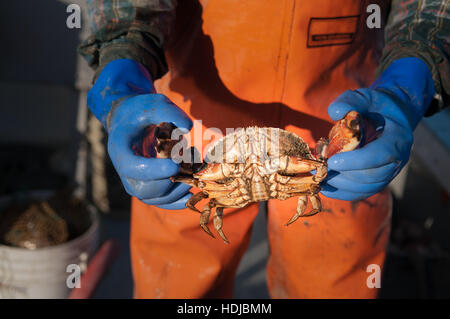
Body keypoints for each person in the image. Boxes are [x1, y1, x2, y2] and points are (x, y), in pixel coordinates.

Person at [80, 0, 449, 298]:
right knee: (176, 280)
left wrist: (406, 85)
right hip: (190, 130)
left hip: (338, 137)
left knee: (333, 276)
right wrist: (122, 74)